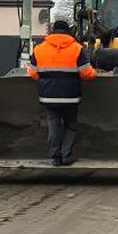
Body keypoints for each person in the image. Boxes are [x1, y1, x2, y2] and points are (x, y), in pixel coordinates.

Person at [27, 18, 97, 165]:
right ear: (68, 32)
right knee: (70, 125)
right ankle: (66, 155)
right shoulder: (77, 49)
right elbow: (86, 73)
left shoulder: (39, 49)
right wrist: (95, 73)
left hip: (48, 96)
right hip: (70, 96)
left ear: (53, 31)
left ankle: (55, 156)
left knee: (53, 125)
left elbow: (33, 73)